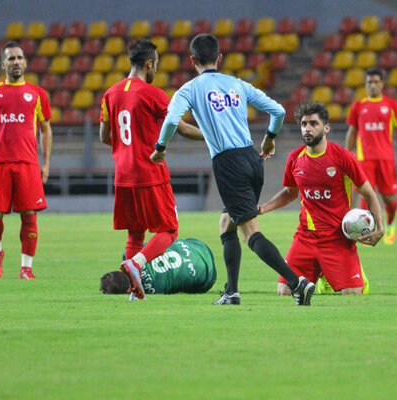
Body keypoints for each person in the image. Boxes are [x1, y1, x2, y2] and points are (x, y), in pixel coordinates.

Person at [151, 33, 315, 306]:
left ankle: (297, 283)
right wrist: (270, 138)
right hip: (252, 159)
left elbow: (170, 121)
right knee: (227, 223)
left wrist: (160, 147)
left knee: (250, 232)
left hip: (228, 164)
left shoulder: (189, 89)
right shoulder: (237, 84)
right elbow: (277, 111)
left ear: (192, 60)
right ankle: (232, 291)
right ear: (220, 58)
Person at [99, 39, 203, 300]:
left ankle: (135, 288)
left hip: (123, 175)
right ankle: (135, 265)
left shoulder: (110, 94)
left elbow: (104, 135)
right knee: (169, 230)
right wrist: (213, 137)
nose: (156, 68)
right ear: (149, 63)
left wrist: (128, 147)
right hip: (149, 172)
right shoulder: (152, 93)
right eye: (156, 63)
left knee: (136, 232)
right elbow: (180, 127)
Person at [260, 101, 384, 295]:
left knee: (353, 294)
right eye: (303, 124)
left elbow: (369, 193)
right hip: (305, 237)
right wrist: (262, 208)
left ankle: (350, 274)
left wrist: (381, 227)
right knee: (284, 291)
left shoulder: (343, 157)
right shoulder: (295, 158)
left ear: (326, 127)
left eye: (313, 124)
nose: (307, 129)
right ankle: (321, 275)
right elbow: (290, 192)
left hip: (337, 238)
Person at [0, 41, 52, 280]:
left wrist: (46, 163)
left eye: (19, 58)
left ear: (25, 62)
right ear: (3, 64)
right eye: (11, 59)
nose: (16, 62)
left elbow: (46, 129)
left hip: (27, 163)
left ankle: (26, 268)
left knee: (29, 214)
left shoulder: (37, 94)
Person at [346, 68, 397, 245]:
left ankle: (390, 225)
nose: (372, 85)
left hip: (386, 159)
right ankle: (364, 233)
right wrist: (347, 156)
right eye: (369, 82)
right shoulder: (358, 106)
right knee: (364, 197)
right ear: (366, 85)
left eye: (375, 82)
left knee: (389, 199)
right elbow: (352, 132)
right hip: (364, 160)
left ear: (382, 84)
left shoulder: (391, 105)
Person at [100, 238, 217, 297]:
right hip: (198, 247)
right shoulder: (130, 256)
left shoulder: (149, 291)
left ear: (127, 291)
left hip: (207, 277)